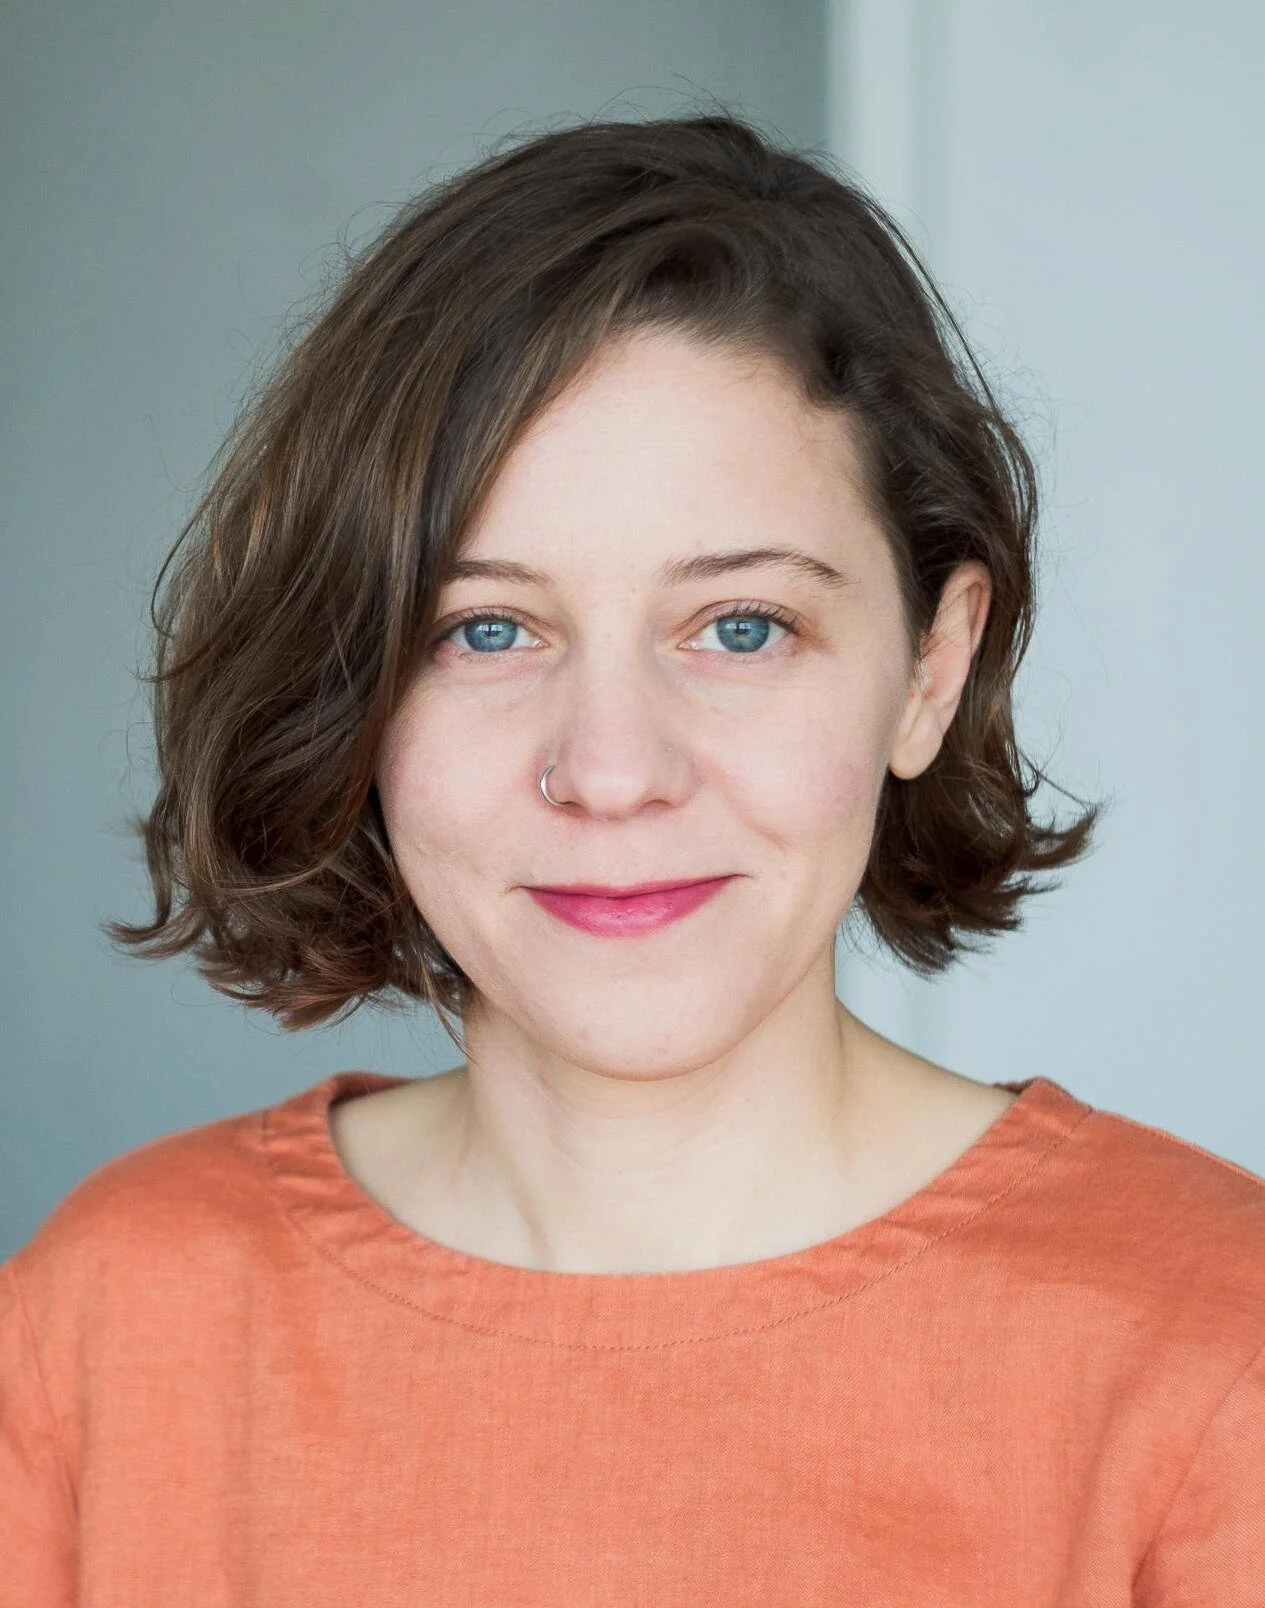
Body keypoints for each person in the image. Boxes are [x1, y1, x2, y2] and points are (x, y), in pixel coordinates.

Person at [2, 112, 1262, 1606]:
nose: (610, 771)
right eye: (486, 630)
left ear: (931, 666)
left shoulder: (1212, 1340)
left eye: (742, 628)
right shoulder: (109, 1321)